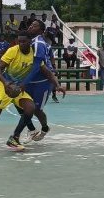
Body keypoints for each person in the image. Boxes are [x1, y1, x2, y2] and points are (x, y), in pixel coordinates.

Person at [8, 20, 66, 148]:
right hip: (29, 81)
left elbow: (37, 66)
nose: (30, 26)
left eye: (34, 26)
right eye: (31, 25)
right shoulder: (30, 41)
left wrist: (56, 84)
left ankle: (45, 128)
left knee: (37, 110)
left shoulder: (39, 44)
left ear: (41, 30)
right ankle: (31, 129)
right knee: (18, 103)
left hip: (42, 83)